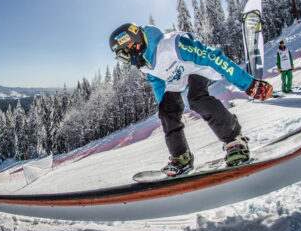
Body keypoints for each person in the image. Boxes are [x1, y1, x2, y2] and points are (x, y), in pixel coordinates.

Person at [109, 23, 273, 176]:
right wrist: (169, 110)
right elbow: (158, 83)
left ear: (132, 44)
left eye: (124, 56)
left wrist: (249, 84)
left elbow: (212, 57)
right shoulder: (145, 64)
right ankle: (181, 157)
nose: (127, 62)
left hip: (197, 67)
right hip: (177, 78)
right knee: (166, 112)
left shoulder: (172, 44)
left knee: (197, 99)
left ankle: (235, 140)